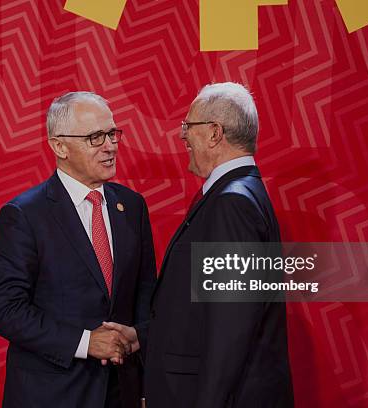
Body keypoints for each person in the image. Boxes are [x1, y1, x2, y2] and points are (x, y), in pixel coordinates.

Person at [109, 82, 293, 407]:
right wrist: (145, 336)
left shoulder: (232, 203)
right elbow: (197, 311)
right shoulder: (240, 194)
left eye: (187, 126)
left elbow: (230, 326)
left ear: (214, 133)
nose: (182, 136)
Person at [0, 91, 156, 408]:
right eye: (95, 137)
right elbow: (3, 309)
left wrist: (138, 343)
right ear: (59, 146)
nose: (110, 145)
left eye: (112, 133)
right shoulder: (24, 215)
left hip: (122, 393)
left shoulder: (131, 206)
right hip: (53, 394)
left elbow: (146, 295)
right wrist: (87, 342)